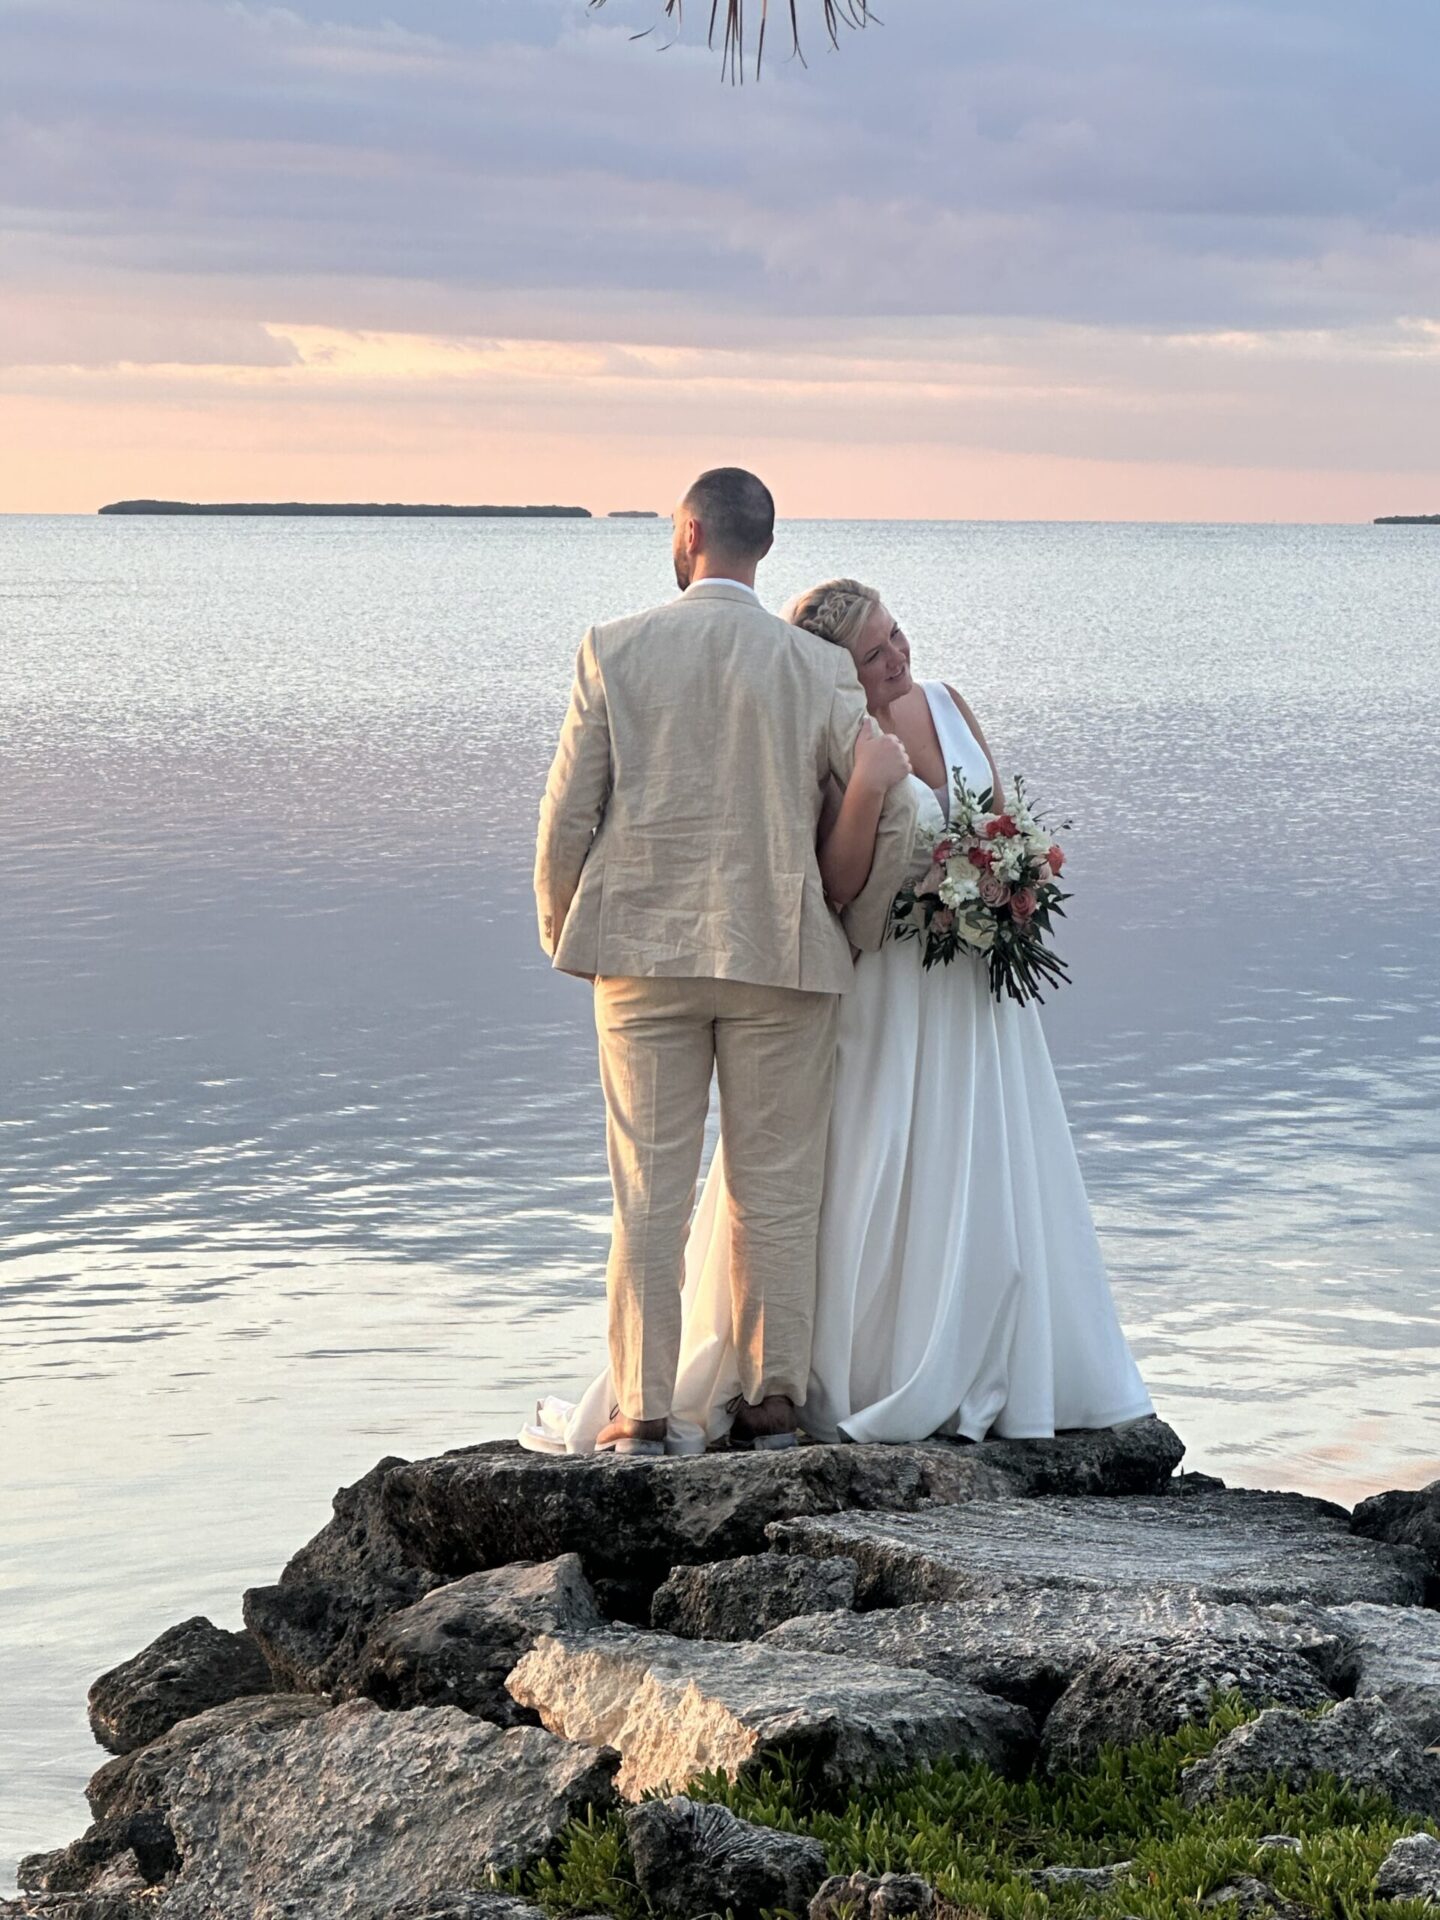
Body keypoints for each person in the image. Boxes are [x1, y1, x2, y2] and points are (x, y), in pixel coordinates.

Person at [526, 576, 1153, 1454]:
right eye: (874, 652)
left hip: (972, 990)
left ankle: (989, 1357)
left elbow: (1001, 814)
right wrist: (871, 801)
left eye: (897, 635)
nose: (896, 657)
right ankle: (819, 1378)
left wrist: (1010, 877)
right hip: (888, 978)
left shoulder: (947, 702)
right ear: (840, 668)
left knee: (968, 1168)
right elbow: (840, 881)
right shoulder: (835, 726)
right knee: (845, 1172)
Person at [533, 484, 919, 1456]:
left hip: (640, 958)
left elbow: (567, 820)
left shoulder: (613, 651)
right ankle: (770, 1401)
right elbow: (899, 805)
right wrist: (860, 928)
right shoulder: (815, 667)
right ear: (768, 546)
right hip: (783, 958)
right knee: (774, 1187)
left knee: (647, 1192)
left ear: (689, 532)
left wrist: (566, 936)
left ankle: (643, 1413)